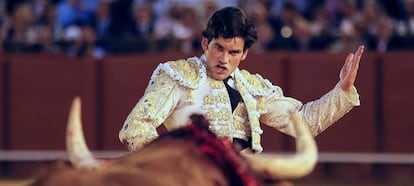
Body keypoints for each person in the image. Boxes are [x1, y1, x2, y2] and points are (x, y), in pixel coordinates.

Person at [119, 7, 364, 153]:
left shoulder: (252, 86)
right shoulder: (178, 76)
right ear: (206, 44)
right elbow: (135, 128)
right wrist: (177, 169)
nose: (224, 59)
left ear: (244, 54)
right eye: (218, 48)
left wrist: (341, 90)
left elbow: (305, 122)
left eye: (233, 52)